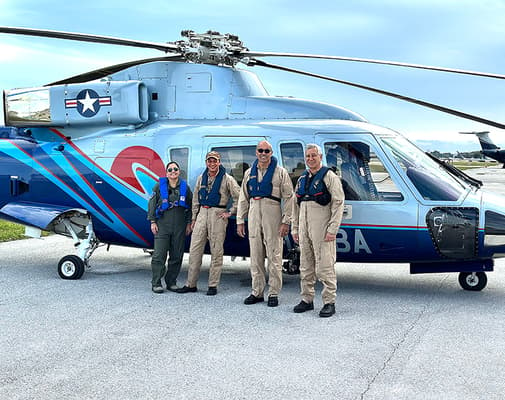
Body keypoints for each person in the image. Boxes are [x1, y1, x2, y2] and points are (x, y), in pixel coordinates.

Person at [237, 141, 294, 307]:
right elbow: (243, 198)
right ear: (256, 152)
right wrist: (241, 220)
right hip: (254, 213)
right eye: (260, 150)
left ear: (271, 152)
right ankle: (257, 292)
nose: (263, 153)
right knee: (255, 256)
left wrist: (286, 221)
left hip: (272, 213)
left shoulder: (280, 172)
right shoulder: (249, 173)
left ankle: (274, 292)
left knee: (274, 255)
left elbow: (289, 198)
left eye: (266, 151)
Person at [291, 144, 345, 317]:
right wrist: (295, 229)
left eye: (314, 155)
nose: (310, 159)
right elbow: (295, 206)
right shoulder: (302, 179)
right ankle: (307, 299)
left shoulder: (330, 177)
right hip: (304, 228)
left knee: (325, 266)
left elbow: (338, 203)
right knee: (305, 265)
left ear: (320, 157)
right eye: (308, 156)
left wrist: (333, 229)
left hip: (322, 229)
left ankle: (329, 301)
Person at [177, 151, 240, 295]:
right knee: (195, 250)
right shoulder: (201, 178)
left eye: (215, 161)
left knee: (216, 250)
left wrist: (230, 212)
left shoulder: (227, 179)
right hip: (202, 214)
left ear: (219, 162)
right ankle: (191, 284)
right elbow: (195, 200)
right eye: (209, 161)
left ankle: (213, 285)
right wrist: (193, 218)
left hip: (217, 214)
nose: (212, 164)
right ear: (206, 162)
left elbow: (239, 197)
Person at [147, 161, 192, 293]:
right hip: (162, 225)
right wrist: (152, 222)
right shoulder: (159, 187)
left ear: (179, 171)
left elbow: (190, 207)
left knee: (177, 255)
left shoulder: (185, 188)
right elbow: (152, 205)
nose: (173, 172)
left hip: (179, 226)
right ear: (166, 173)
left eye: (175, 169)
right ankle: (156, 282)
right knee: (159, 255)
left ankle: (171, 282)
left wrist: (189, 223)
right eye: (170, 170)